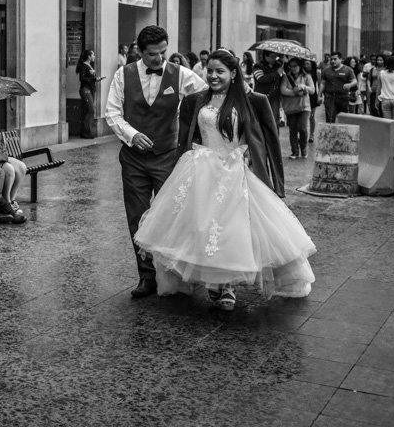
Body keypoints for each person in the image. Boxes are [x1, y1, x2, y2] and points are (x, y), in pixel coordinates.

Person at [134, 49, 316, 311]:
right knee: (201, 226)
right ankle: (212, 280)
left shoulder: (253, 100)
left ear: (233, 73)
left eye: (220, 71)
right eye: (210, 70)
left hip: (236, 170)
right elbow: (186, 135)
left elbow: (269, 140)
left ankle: (227, 284)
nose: (213, 76)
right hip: (202, 170)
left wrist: (266, 170)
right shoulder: (196, 99)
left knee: (233, 228)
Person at [105, 25, 207, 298]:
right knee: (137, 218)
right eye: (152, 54)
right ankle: (147, 277)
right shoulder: (123, 75)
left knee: (171, 217)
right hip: (133, 160)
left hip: (167, 157)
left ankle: (174, 275)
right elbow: (112, 113)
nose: (159, 59)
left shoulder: (181, 74)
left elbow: (209, 94)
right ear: (140, 51)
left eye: (163, 52)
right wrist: (132, 134)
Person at [280, 58, 315, 159]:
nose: (293, 68)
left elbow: (312, 90)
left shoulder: (306, 76)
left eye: (295, 66)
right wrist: (295, 92)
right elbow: (283, 90)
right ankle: (295, 151)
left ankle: (303, 147)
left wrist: (302, 87)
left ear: (300, 66)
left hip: (304, 106)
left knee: (303, 128)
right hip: (291, 107)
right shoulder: (286, 77)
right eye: (291, 66)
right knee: (293, 129)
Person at [321, 51, 357, 123]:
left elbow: (355, 81)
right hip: (330, 97)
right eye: (331, 59)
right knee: (330, 118)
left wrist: (350, 85)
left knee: (343, 118)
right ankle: (330, 129)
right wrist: (319, 95)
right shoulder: (326, 70)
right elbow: (322, 83)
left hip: (343, 97)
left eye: (335, 59)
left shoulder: (348, 70)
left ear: (340, 59)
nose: (333, 61)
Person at [77, 49, 106, 139]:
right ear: (89, 56)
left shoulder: (90, 65)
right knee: (91, 110)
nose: (94, 57)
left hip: (90, 89)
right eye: (93, 55)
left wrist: (96, 78)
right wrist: (94, 79)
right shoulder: (84, 65)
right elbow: (82, 78)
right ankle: (85, 131)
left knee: (88, 111)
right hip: (86, 90)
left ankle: (86, 131)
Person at [252, 51, 284, 127]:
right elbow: (261, 78)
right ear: (266, 56)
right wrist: (276, 74)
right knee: (261, 120)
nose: (274, 59)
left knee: (274, 120)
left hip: (274, 96)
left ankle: (274, 134)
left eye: (275, 57)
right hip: (261, 96)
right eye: (272, 57)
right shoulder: (258, 66)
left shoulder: (278, 65)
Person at [303, 59, 321, 142]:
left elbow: (320, 84)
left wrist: (320, 96)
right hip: (303, 96)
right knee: (303, 116)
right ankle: (302, 134)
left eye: (308, 64)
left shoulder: (316, 72)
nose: (306, 65)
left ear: (312, 64)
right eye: (305, 64)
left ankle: (312, 134)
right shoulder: (301, 72)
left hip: (313, 96)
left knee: (312, 116)